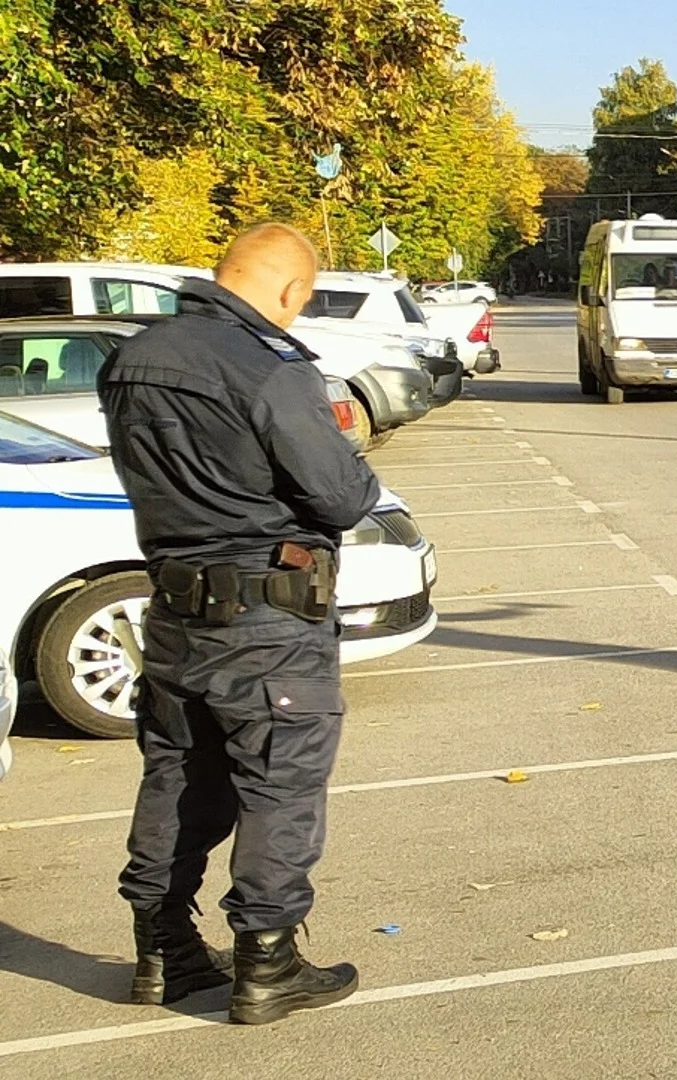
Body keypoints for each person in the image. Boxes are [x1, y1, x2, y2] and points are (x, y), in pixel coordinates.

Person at [100, 223, 380, 1025]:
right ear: (290, 291)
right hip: (268, 612)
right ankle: (268, 962)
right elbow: (342, 497)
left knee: (179, 774)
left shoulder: (132, 359)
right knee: (278, 784)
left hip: (175, 608)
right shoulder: (271, 369)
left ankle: (163, 953)